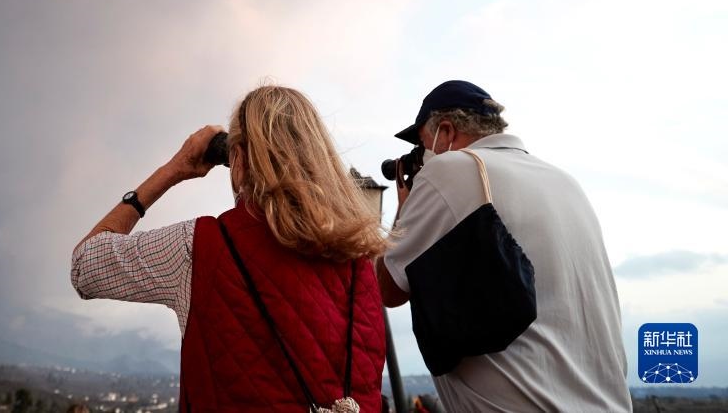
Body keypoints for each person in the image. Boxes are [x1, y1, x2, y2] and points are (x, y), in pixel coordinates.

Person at [71, 85, 389, 412]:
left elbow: (84, 267)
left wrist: (173, 169)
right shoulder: (360, 258)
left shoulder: (199, 248)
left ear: (237, 158)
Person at [377, 80, 632, 412]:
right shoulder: (566, 182)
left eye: (423, 144)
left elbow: (386, 287)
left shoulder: (450, 169)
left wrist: (404, 207)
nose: (422, 158)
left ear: (446, 131)